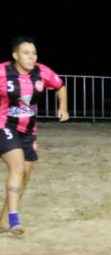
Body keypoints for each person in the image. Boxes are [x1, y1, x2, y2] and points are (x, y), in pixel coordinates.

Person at [0, 37, 69, 235]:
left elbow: (60, 86)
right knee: (17, 167)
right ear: (15, 55)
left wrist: (62, 107)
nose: (32, 57)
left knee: (25, 176)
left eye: (34, 53)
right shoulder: (3, 72)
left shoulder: (42, 71)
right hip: (4, 126)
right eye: (26, 53)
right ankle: (15, 219)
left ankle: (3, 219)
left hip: (29, 131)